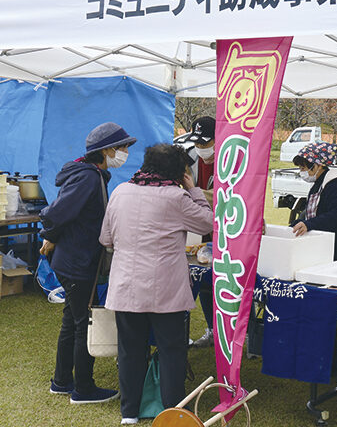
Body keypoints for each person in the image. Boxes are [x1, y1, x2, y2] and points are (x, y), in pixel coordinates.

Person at [100, 144, 213, 425]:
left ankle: (129, 413)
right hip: (167, 289)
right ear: (179, 172)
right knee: (171, 351)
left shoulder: (120, 192)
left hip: (126, 286)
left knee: (130, 350)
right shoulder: (176, 197)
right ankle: (173, 412)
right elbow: (209, 223)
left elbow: (105, 239)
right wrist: (194, 190)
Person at [40, 122, 136, 404]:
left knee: (72, 320)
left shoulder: (93, 173)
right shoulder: (88, 178)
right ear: (106, 150)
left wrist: (53, 235)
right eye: (122, 148)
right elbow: (58, 213)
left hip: (74, 259)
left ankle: (61, 381)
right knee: (83, 323)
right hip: (77, 262)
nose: (124, 153)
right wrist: (50, 234)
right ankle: (83, 389)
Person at [291, 142, 337, 261]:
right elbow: (313, 215)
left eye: (303, 168)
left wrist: (310, 224)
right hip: (325, 248)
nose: (301, 172)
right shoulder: (318, 185)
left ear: (317, 165)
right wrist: (297, 225)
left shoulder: (336, 186)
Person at [185, 116, 216, 348]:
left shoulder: (230, 161)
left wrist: (192, 191)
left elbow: (222, 196)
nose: (201, 148)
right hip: (201, 232)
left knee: (230, 282)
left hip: (226, 232)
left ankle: (244, 332)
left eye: (205, 144)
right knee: (203, 280)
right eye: (197, 144)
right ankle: (211, 329)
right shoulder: (193, 160)